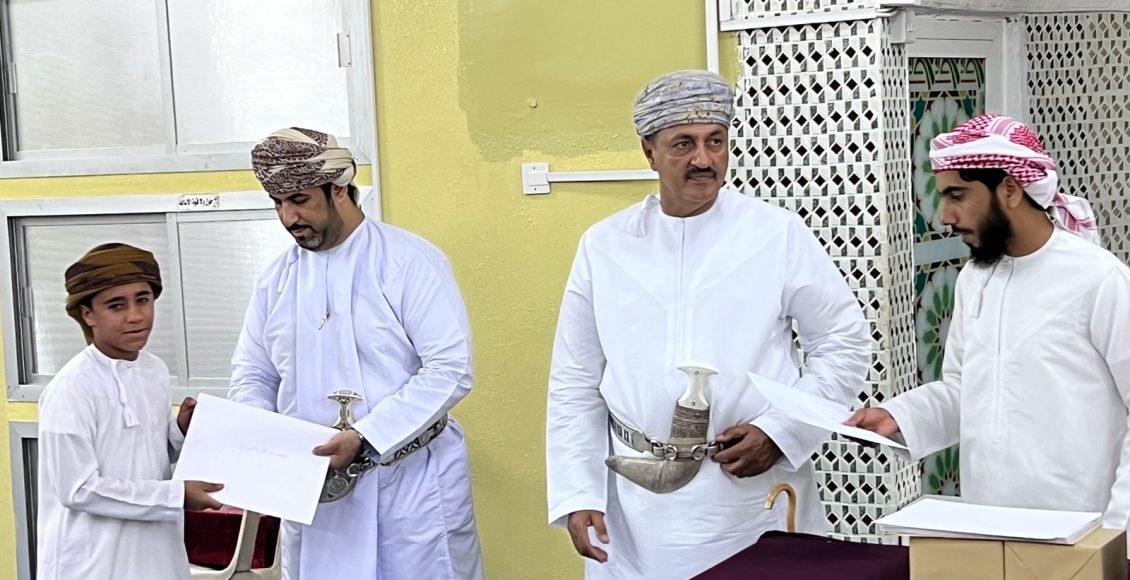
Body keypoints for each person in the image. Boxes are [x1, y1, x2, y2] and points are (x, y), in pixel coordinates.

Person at [545, 70, 871, 579]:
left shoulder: (775, 233)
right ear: (649, 152)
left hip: (747, 496)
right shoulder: (605, 245)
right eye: (684, 144)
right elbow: (575, 378)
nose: (703, 159)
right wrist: (577, 491)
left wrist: (781, 432)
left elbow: (844, 344)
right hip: (633, 507)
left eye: (715, 141)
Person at [847, 114, 1130, 538]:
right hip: (985, 523)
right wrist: (900, 417)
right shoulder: (975, 278)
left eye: (957, 195)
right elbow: (967, 388)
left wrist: (1117, 530)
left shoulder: (1099, 279)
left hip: (1080, 530)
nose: (945, 215)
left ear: (1010, 190)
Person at [231, 127, 483, 579]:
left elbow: (450, 368)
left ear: (340, 189)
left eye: (300, 200)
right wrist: (265, 442)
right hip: (313, 493)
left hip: (407, 487)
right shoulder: (276, 280)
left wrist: (367, 436)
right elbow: (254, 373)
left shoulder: (407, 262)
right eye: (278, 203)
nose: (288, 217)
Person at [37, 242, 222, 580]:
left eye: (143, 299)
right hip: (92, 561)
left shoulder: (154, 370)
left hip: (156, 553)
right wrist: (176, 495)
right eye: (116, 305)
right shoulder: (71, 388)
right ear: (87, 314)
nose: (135, 316)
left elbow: (144, 456)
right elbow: (77, 489)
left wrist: (180, 431)